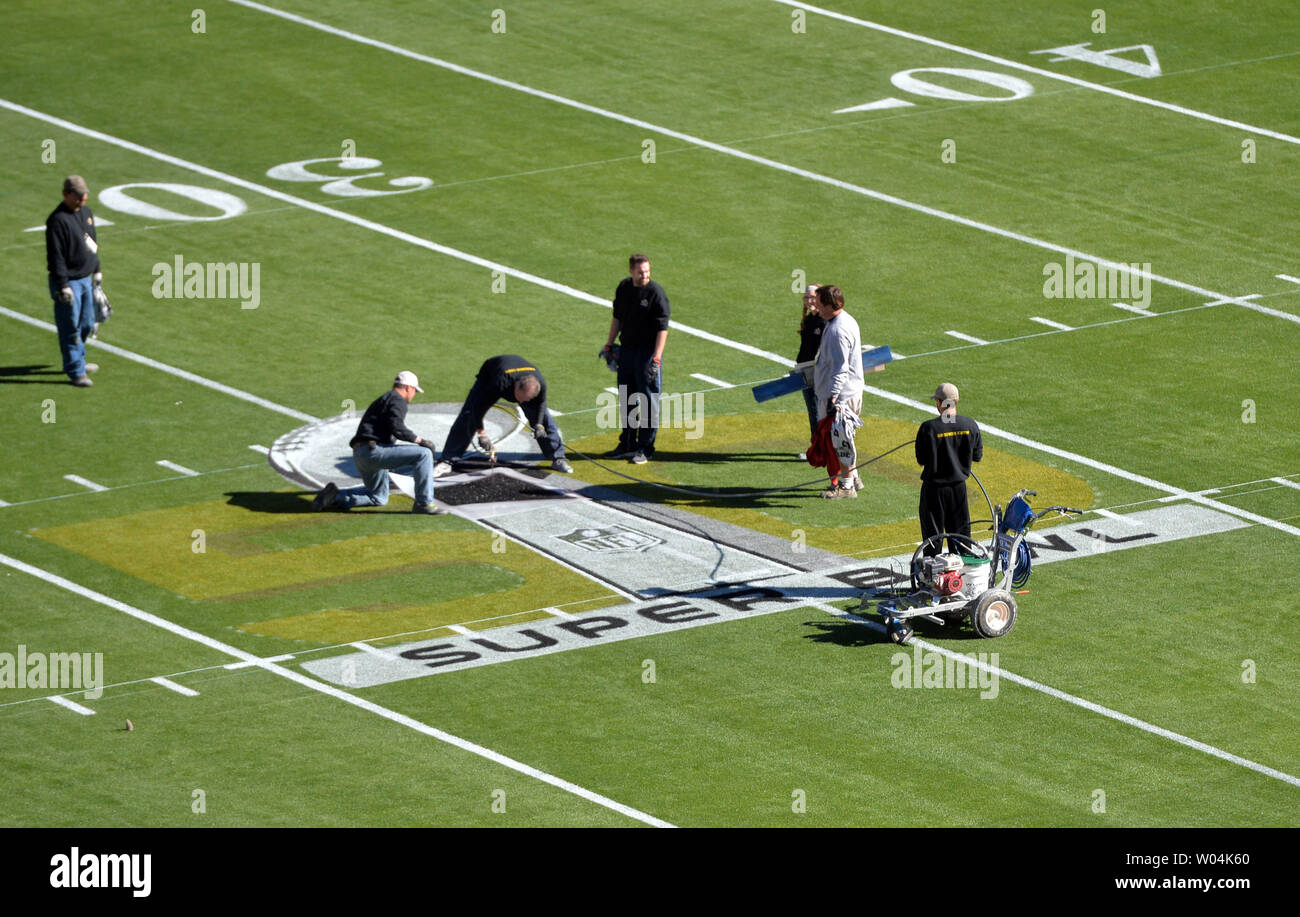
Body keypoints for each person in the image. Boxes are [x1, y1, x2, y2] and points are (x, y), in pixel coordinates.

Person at [312, 371, 444, 514]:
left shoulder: (383, 399)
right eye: (415, 391)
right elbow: (397, 427)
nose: (413, 396)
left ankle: (334, 497)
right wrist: (421, 441)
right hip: (373, 452)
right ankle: (424, 503)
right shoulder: (398, 400)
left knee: (379, 497)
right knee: (424, 454)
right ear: (408, 388)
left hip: (360, 454)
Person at [434, 354, 572, 475]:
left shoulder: (539, 383)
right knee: (468, 415)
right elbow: (478, 408)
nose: (523, 403)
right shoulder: (499, 383)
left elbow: (541, 405)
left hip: (516, 376)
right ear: (516, 386)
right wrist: (482, 434)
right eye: (521, 398)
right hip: (489, 376)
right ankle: (447, 460)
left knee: (546, 420)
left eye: (527, 400)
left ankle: (558, 458)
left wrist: (539, 425)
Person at [600, 253, 670, 465]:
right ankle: (628, 443)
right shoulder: (624, 288)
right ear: (631, 271)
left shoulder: (656, 293)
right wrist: (609, 343)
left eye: (647, 271)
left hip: (647, 354)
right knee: (627, 398)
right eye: (641, 272)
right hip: (627, 351)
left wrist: (656, 358)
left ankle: (645, 448)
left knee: (649, 401)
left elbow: (662, 329)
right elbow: (617, 318)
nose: (645, 275)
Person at [46, 175, 102, 387]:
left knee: (87, 322)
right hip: (69, 282)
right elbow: (56, 256)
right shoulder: (57, 221)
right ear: (66, 194)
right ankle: (75, 371)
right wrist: (63, 285)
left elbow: (92, 243)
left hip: (86, 278)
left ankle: (78, 358)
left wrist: (96, 269)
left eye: (84, 195)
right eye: (78, 196)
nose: (83, 199)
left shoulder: (86, 214)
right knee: (70, 327)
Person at [915, 382, 983, 554]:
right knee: (961, 539)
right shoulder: (970, 425)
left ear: (939, 402)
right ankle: (962, 578)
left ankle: (934, 579)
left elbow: (921, 460)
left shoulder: (928, 428)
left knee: (933, 540)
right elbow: (977, 456)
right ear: (956, 401)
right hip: (958, 490)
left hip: (934, 491)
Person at [812, 284, 865, 498]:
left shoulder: (837, 330)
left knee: (840, 440)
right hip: (850, 391)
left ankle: (846, 486)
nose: (816, 308)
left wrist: (833, 396)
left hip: (841, 396)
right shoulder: (845, 321)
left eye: (818, 304)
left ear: (828, 305)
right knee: (845, 438)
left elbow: (840, 368)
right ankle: (854, 478)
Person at [794, 283, 826, 458]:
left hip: (815, 373)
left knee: (816, 410)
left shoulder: (823, 322)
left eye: (812, 297)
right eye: (806, 297)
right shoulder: (809, 319)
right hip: (804, 370)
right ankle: (817, 446)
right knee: (812, 409)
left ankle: (818, 449)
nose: (808, 301)